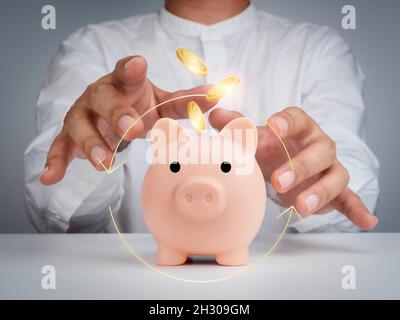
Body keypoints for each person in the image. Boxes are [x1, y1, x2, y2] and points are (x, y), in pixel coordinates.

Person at [24, 0, 379, 233]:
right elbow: (57, 218)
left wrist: (302, 178)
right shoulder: (90, 48)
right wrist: (99, 151)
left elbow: (352, 187)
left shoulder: (319, 50)